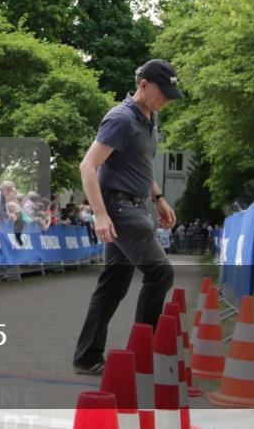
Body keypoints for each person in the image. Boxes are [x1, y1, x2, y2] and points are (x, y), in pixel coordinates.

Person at [72, 59, 182, 375]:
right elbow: (88, 166)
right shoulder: (121, 118)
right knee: (160, 274)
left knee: (114, 283)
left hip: (135, 204)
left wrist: (158, 198)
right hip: (120, 208)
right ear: (144, 84)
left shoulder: (149, 118)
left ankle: (87, 357)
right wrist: (100, 215)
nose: (167, 100)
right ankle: (142, 357)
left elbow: (139, 165)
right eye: (163, 93)